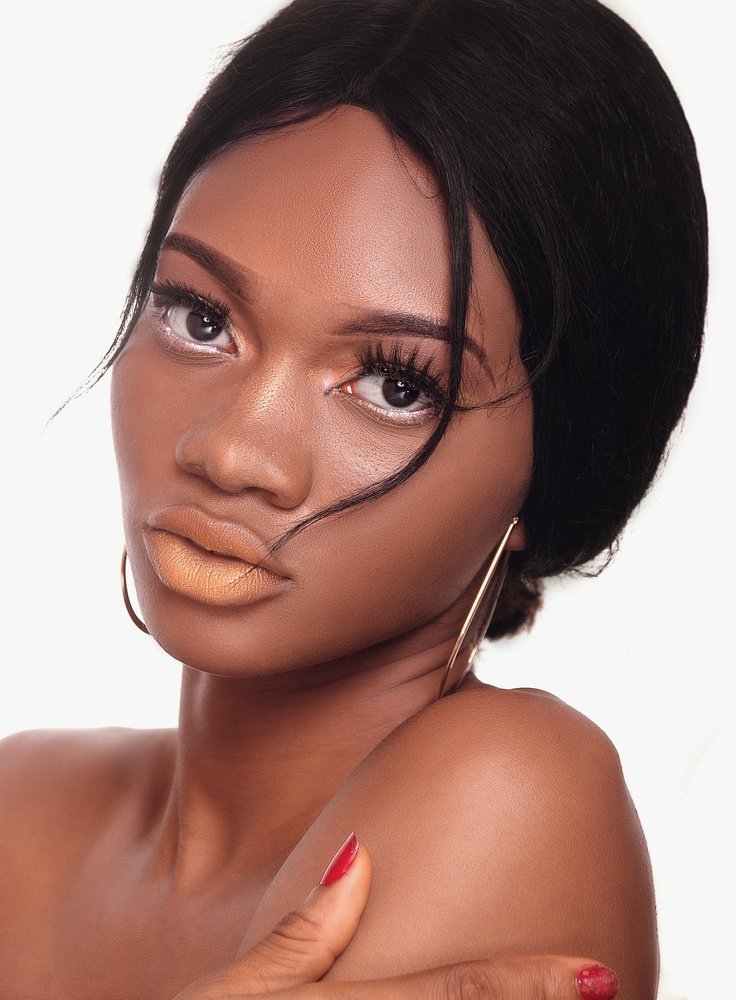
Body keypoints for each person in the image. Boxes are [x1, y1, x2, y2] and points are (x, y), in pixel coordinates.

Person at [0, 0, 707, 997]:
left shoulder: (508, 790)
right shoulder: (22, 809)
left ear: (557, 471)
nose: (232, 452)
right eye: (201, 317)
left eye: (395, 384)